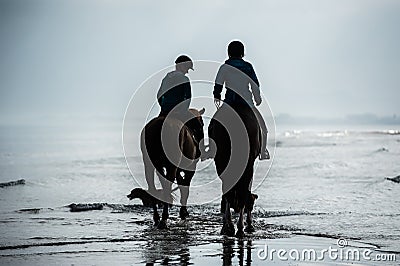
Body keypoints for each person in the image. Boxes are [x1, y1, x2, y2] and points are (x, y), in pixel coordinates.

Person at [213, 41, 270, 160]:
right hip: (246, 104)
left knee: (213, 126)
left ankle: (211, 150)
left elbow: (218, 84)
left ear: (228, 53)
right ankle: (263, 151)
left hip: (229, 104)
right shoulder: (248, 66)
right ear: (242, 53)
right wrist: (257, 98)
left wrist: (217, 95)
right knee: (263, 129)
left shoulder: (224, 67)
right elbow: (255, 84)